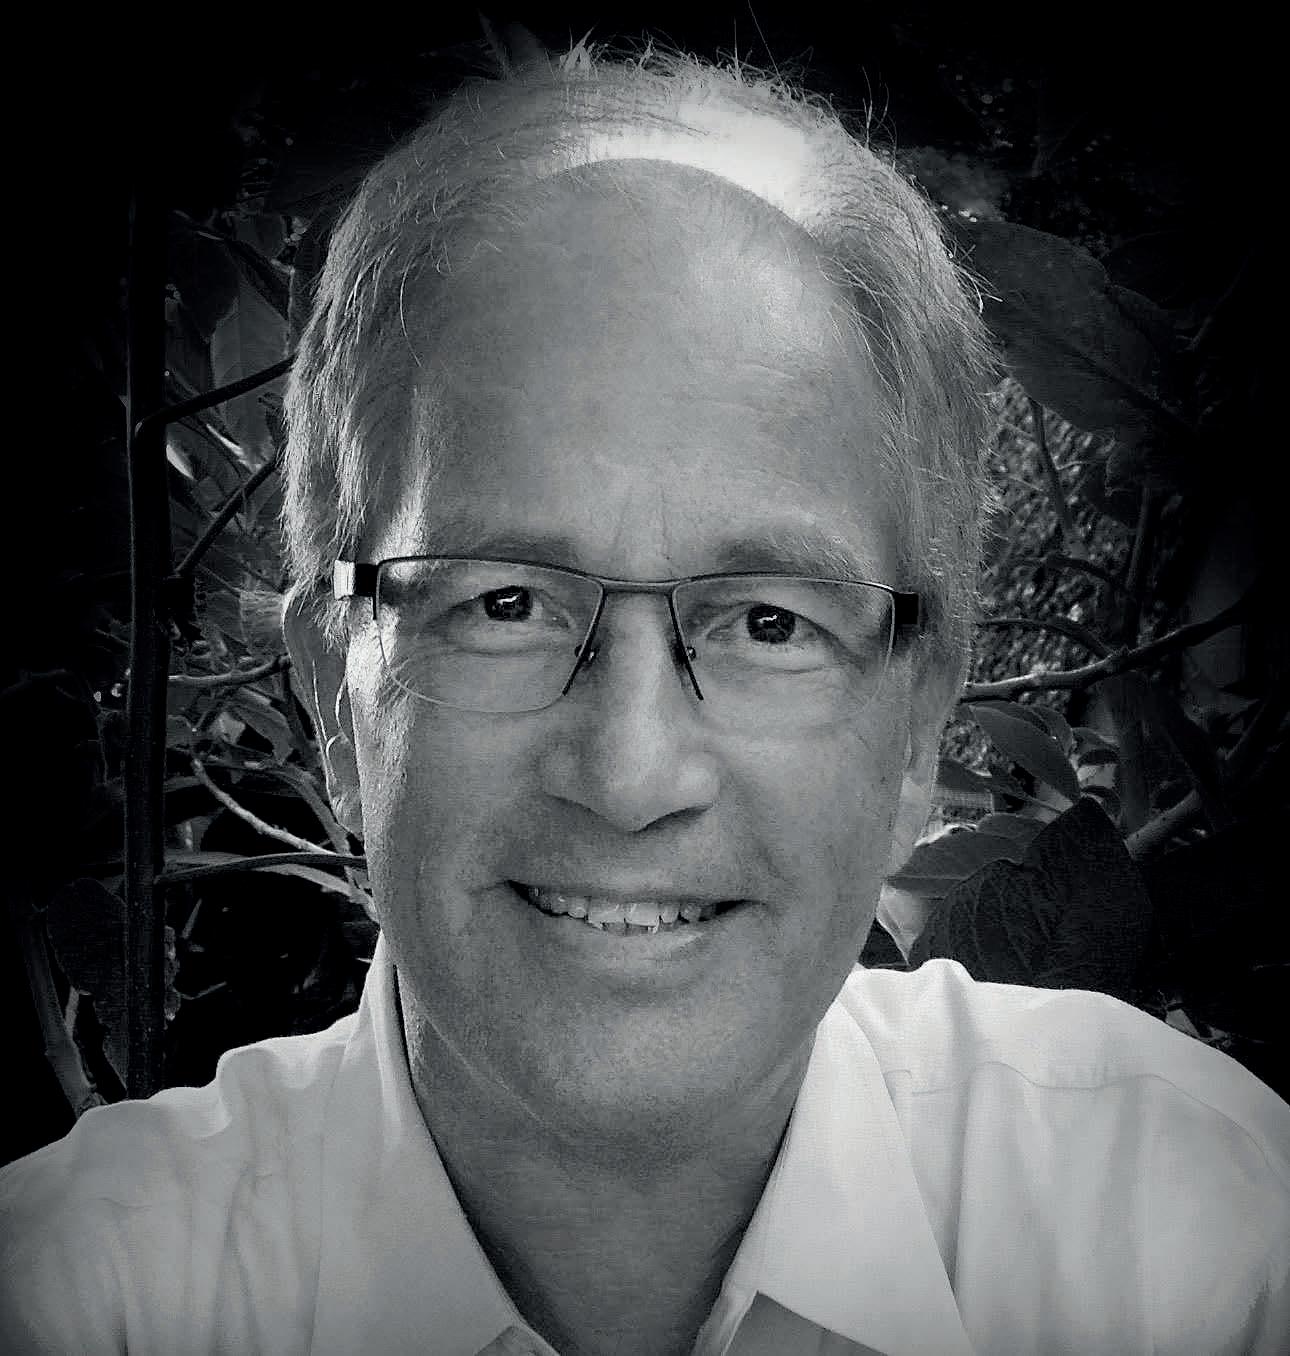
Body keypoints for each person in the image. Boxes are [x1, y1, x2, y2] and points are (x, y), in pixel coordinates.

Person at [4, 41, 1288, 1356]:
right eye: (506, 603)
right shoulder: (75, 1300)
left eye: (769, 622)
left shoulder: (1197, 1244)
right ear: (336, 693)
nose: (629, 776)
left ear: (917, 727)